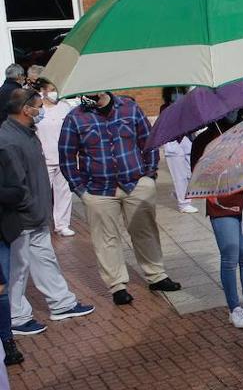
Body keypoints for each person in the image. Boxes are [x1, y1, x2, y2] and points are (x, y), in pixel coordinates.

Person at [59, 90, 180, 305]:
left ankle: (156, 276)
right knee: (105, 239)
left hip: (136, 183)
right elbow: (67, 156)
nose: (88, 93)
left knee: (145, 231)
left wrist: (149, 176)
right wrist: (80, 190)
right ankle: (117, 285)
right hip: (98, 190)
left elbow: (148, 141)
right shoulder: (75, 117)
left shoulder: (130, 108)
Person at [0, 89, 95, 335]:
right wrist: (30, 209)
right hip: (22, 217)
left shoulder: (26, 134)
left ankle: (61, 303)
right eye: (38, 106)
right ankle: (17, 316)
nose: (41, 111)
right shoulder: (9, 140)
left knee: (44, 259)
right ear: (26, 109)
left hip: (36, 214)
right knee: (18, 268)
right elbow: (15, 184)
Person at [190, 119, 243, 330]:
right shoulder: (204, 140)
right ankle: (235, 308)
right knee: (230, 254)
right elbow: (197, 174)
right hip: (220, 203)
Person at [31, 78, 76, 236]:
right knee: (41, 193)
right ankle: (40, 224)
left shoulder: (65, 107)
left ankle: (62, 224)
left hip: (64, 157)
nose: (54, 92)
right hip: (43, 158)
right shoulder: (38, 110)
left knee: (64, 192)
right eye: (51, 89)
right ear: (43, 90)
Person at [1, 145, 25, 367]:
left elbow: (17, 191)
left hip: (1, 234)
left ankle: (7, 341)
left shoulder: (3, 154)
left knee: (1, 290)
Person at [159, 87, 197, 214]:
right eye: (173, 93)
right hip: (173, 144)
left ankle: (178, 192)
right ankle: (184, 204)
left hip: (187, 142)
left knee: (190, 173)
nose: (176, 95)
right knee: (179, 176)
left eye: (179, 92)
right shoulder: (165, 108)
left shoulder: (187, 106)